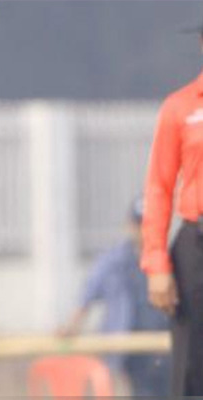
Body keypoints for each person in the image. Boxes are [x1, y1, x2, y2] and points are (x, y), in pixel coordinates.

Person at [142, 25, 203, 397]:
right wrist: (156, 264)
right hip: (196, 245)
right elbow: (159, 187)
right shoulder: (181, 106)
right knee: (192, 364)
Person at [58, 197, 170, 397]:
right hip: (125, 352)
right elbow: (87, 295)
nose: (144, 230)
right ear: (130, 225)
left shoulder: (168, 260)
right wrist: (71, 325)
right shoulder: (114, 261)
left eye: (150, 224)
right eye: (140, 224)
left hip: (163, 349)